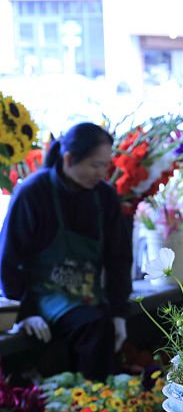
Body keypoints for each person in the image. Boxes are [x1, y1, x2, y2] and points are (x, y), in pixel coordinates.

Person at [0, 123, 132, 380]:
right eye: (95, 165)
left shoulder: (104, 196)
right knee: (93, 328)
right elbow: (8, 260)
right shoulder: (32, 193)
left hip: (88, 295)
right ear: (69, 159)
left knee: (103, 328)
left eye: (106, 165)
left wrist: (119, 312)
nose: (103, 173)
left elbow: (119, 259)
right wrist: (24, 313)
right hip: (43, 296)